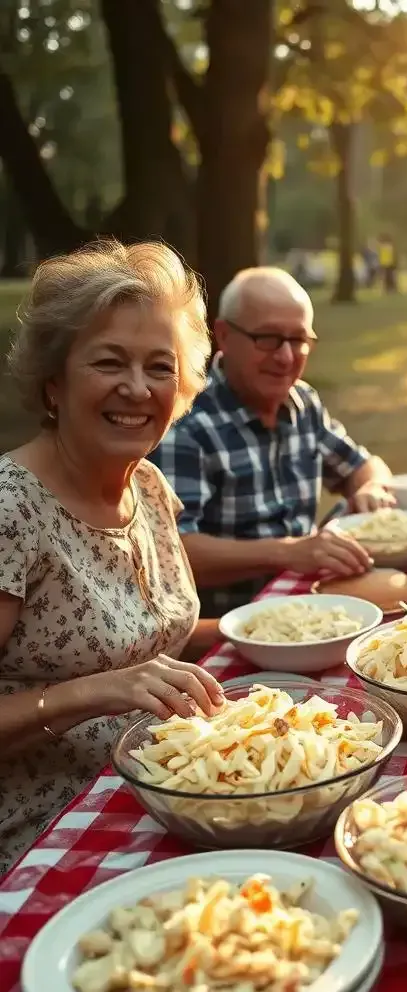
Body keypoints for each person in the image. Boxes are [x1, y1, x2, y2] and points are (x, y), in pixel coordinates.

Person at [0, 240, 226, 875]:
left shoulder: (146, 483)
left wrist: (282, 633)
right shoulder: (10, 509)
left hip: (161, 788)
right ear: (53, 382)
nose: (136, 388)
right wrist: (92, 693)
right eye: (108, 362)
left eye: (160, 366)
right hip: (47, 837)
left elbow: (148, 641)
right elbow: (114, 672)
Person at [150, 267, 395, 617]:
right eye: (267, 338)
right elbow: (175, 550)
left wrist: (372, 487)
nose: (285, 357)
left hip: (309, 605)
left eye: (298, 340)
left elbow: (364, 465)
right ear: (223, 335)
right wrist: (289, 552)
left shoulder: (302, 402)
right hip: (230, 623)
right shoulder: (188, 423)